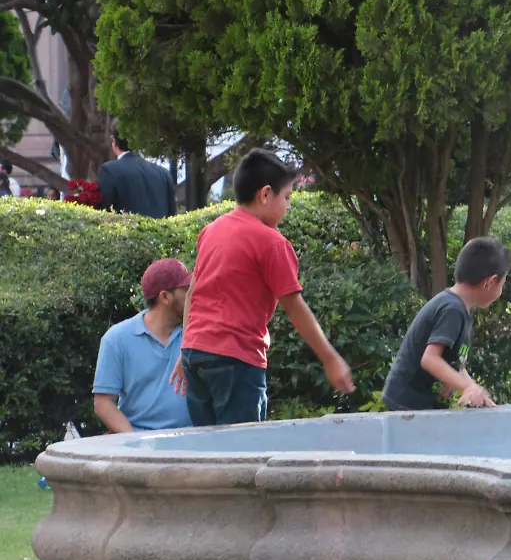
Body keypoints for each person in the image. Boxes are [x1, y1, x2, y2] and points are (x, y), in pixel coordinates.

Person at [171, 148, 354, 426]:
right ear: (266, 194)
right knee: (243, 454)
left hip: (195, 358)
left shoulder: (212, 230)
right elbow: (294, 307)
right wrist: (330, 359)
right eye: (287, 197)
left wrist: (187, 347)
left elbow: (193, 293)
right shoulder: (271, 242)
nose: (289, 206)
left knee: (206, 454)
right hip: (236, 358)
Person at [381, 238, 510, 411]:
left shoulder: (460, 309)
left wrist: (479, 394)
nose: (501, 290)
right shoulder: (452, 310)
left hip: (420, 404)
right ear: (490, 282)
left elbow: (457, 366)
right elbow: (430, 359)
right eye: (502, 283)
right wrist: (467, 387)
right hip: (407, 403)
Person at [93, 259, 194, 433]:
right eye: (186, 291)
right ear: (165, 297)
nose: (193, 296)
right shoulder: (117, 339)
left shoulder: (196, 333)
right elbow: (103, 403)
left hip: (192, 442)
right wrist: (134, 441)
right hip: (139, 445)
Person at [97, 125, 177, 217]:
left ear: (114, 143)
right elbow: (172, 215)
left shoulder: (109, 170)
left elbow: (104, 212)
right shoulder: (163, 173)